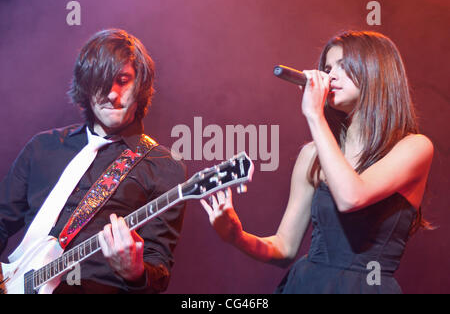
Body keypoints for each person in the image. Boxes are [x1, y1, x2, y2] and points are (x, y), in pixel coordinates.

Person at [201, 31, 434, 294]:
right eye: (327, 68)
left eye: (344, 66)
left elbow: (352, 197)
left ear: (377, 72)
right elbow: (285, 248)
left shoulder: (414, 147)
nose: (329, 76)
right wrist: (237, 236)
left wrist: (314, 114)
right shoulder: (312, 155)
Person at [0, 29, 186, 294]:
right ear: (85, 87)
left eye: (123, 80)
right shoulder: (43, 147)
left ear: (141, 86)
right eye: (101, 81)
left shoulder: (163, 166)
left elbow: (158, 271)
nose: (112, 94)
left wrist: (136, 273)